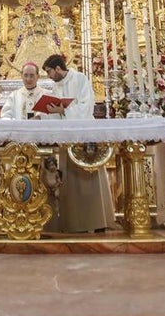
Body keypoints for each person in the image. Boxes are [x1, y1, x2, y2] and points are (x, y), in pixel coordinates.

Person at [42, 55, 117, 233]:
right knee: (71, 181)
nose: (49, 76)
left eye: (49, 72)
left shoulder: (80, 79)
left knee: (90, 180)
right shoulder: (55, 86)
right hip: (67, 137)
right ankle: (75, 223)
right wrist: (46, 113)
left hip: (84, 136)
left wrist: (64, 110)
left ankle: (98, 221)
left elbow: (86, 106)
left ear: (58, 69)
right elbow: (54, 113)